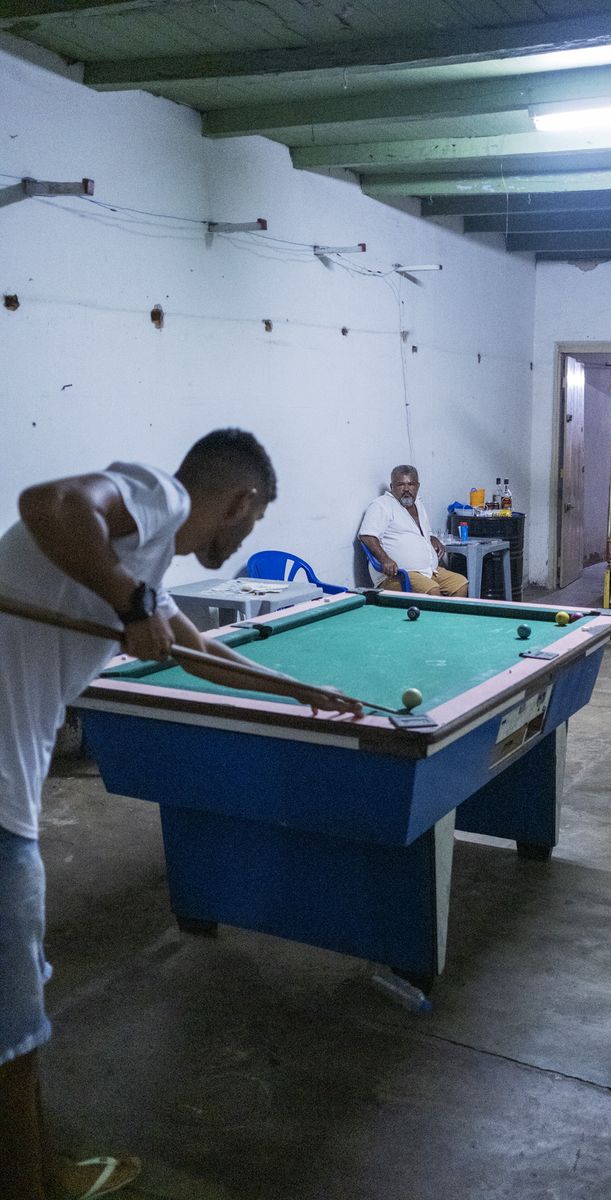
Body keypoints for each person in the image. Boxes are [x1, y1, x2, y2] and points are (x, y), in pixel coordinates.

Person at [0, 428, 363, 1200]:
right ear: (240, 500)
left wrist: (301, 692)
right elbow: (49, 502)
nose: (246, 536)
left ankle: (39, 1167)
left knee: (18, 1008)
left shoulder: (147, 558)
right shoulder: (158, 499)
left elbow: (194, 651)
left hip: (12, 780)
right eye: (254, 521)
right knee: (13, 1030)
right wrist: (128, 604)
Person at [358, 465, 468, 597]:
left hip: (429, 570)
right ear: (392, 486)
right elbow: (367, 535)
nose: (406, 489)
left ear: (418, 486)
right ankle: (434, 618)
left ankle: (450, 618)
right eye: (400, 485)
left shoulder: (418, 504)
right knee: (431, 590)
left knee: (460, 584)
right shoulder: (382, 505)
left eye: (411, 484)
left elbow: (422, 531)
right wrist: (384, 559)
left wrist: (431, 538)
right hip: (398, 574)